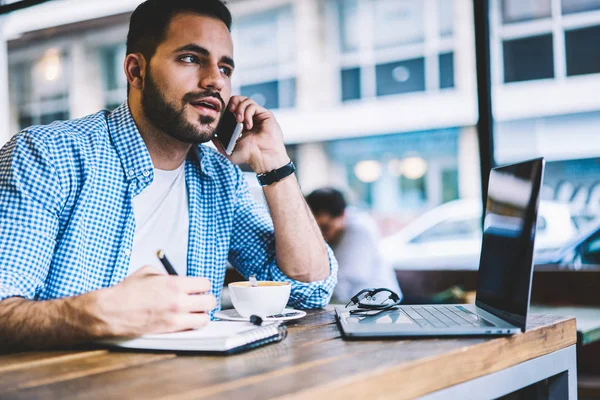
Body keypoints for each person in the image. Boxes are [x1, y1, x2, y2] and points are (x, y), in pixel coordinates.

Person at [0, 0, 337, 351]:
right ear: (136, 71)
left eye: (225, 68)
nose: (214, 81)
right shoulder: (49, 155)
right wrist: (93, 315)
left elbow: (308, 287)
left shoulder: (221, 179)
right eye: (191, 58)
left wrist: (274, 165)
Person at [306, 188, 400, 303]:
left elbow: (344, 279)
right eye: (314, 228)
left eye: (325, 228)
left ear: (343, 215)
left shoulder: (359, 230)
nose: (320, 235)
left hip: (378, 303)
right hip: (350, 303)